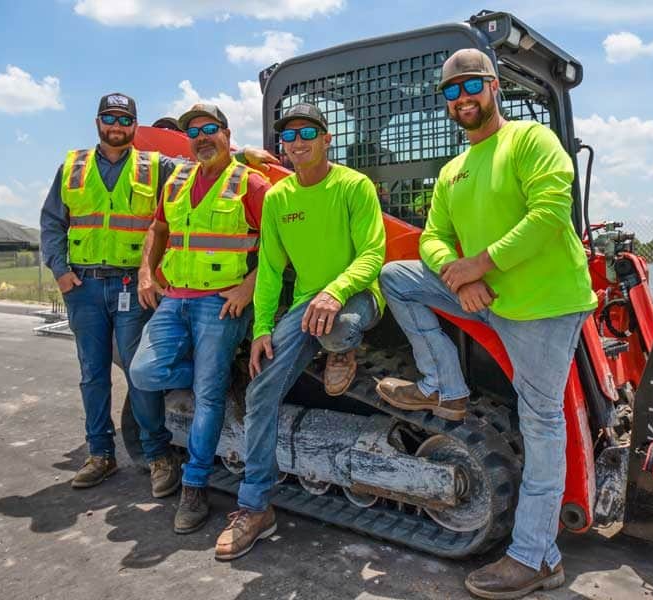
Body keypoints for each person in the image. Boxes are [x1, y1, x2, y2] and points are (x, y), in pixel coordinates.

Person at [374, 49, 598, 599]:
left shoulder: (529, 141)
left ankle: (536, 556)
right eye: (451, 92)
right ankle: (444, 387)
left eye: (471, 86)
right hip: (484, 294)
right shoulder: (453, 170)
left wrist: (480, 263)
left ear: (493, 87)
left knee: (542, 422)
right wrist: (460, 279)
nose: (462, 99)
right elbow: (431, 237)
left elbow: (549, 214)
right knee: (396, 276)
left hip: (542, 307)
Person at [213, 103, 386, 560]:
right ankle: (255, 508)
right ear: (282, 146)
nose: (298, 141)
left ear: (327, 139)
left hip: (357, 295)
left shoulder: (353, 185)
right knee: (259, 391)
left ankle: (341, 350)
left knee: (340, 325)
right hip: (307, 304)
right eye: (289, 136)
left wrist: (336, 291)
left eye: (308, 132)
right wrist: (263, 329)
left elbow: (372, 254)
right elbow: (270, 270)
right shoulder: (278, 198)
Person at [129, 104, 271, 534]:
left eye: (211, 129)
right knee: (144, 372)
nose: (202, 136)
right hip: (175, 298)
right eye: (195, 131)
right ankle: (216, 372)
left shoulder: (250, 183)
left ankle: (194, 487)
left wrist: (249, 286)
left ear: (227, 134)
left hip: (219, 302)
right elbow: (159, 229)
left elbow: (280, 244)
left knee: (207, 399)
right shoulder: (176, 180)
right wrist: (145, 270)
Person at [40, 93, 179, 495]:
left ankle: (157, 455)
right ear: (98, 122)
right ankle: (100, 454)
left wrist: (246, 158)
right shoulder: (72, 167)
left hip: (131, 288)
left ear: (135, 125)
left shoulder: (157, 166)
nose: (116, 126)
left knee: (140, 374)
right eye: (109, 118)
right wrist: (61, 271)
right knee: (93, 375)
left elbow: (203, 172)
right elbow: (52, 221)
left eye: (124, 119)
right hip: (83, 287)